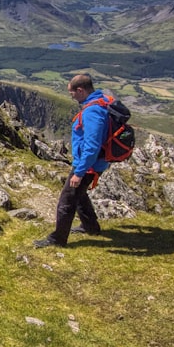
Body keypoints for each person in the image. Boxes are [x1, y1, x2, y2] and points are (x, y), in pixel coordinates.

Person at [34, 74, 109, 248]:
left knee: (66, 201)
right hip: (94, 162)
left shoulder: (92, 111)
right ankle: (91, 226)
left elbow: (92, 146)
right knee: (79, 194)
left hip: (88, 165)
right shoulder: (102, 101)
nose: (71, 97)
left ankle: (57, 239)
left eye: (72, 93)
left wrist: (79, 172)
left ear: (80, 90)